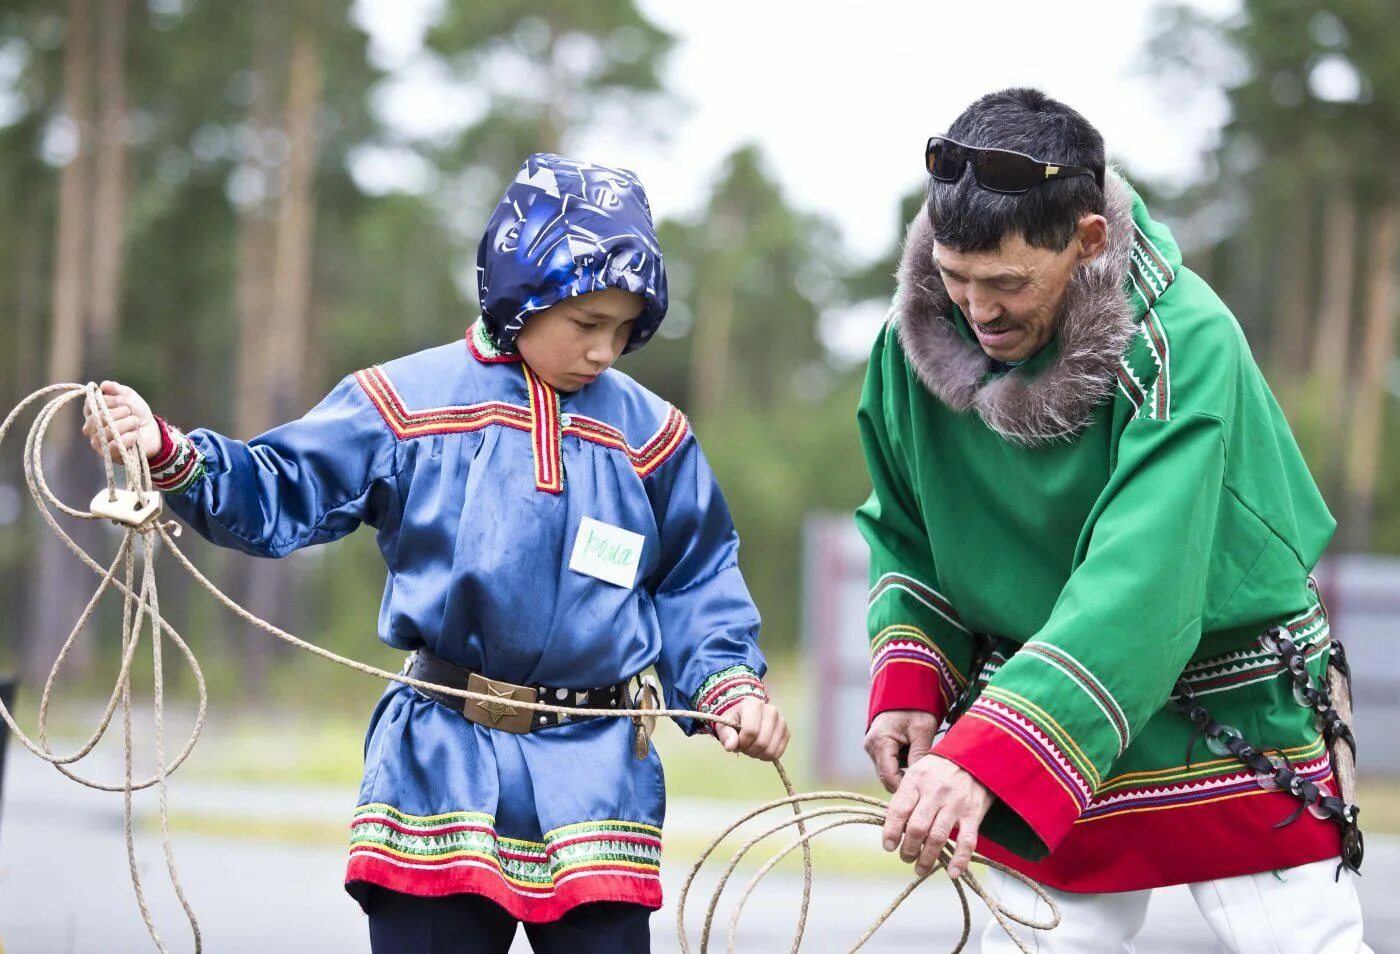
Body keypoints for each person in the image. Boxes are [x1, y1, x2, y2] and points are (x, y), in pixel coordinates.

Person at [82, 153, 789, 953]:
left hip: (599, 775)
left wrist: (730, 685)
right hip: (440, 760)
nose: (604, 350)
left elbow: (697, 576)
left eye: (625, 330)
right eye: (587, 324)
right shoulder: (403, 402)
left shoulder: (653, 434)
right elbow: (282, 486)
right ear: (523, 296)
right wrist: (170, 452)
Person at [857, 88, 1369, 952]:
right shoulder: (914, 345)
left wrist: (985, 754)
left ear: (1089, 240)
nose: (976, 313)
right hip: (1048, 707)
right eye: (954, 277)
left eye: (1007, 283)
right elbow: (906, 528)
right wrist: (911, 681)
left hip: (1225, 703)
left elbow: (1143, 581)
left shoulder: (1186, 343)